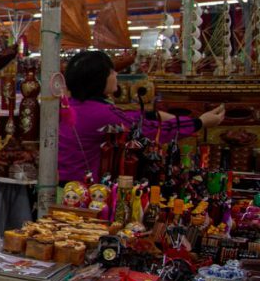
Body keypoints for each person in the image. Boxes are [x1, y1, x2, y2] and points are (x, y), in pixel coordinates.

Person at [57, 50, 225, 183]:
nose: (116, 75)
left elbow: (129, 117)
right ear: (98, 79)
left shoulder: (70, 105)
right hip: (85, 190)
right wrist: (200, 122)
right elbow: (153, 131)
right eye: (111, 71)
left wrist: (153, 114)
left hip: (64, 183)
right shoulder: (103, 114)